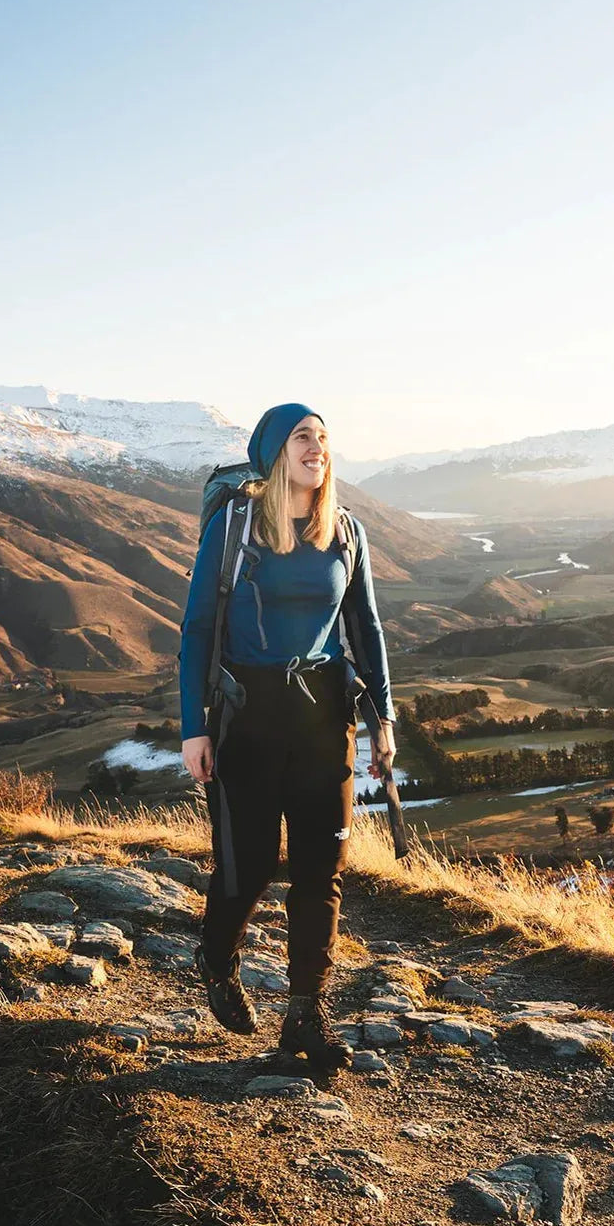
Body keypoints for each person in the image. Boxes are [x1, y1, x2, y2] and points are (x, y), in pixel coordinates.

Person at [179, 403, 396, 1072]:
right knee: (246, 867)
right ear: (273, 452)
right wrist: (193, 729)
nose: (317, 448)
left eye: (325, 439)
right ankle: (217, 959)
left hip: (326, 714)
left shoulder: (345, 531)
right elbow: (194, 631)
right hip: (249, 715)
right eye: (303, 437)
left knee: (319, 872)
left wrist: (384, 719)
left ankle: (305, 1014)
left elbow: (367, 627)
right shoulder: (235, 526)